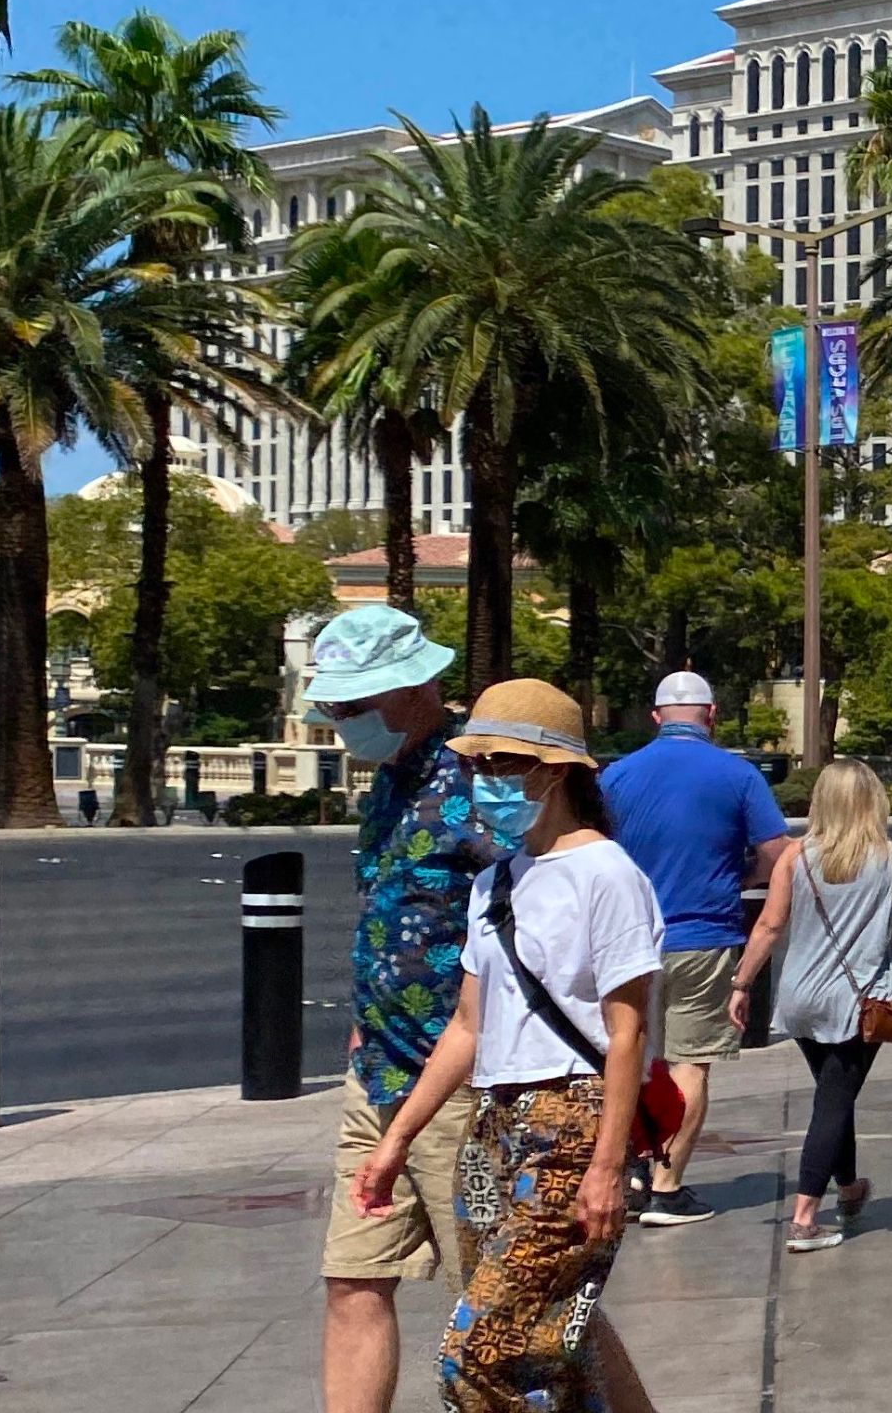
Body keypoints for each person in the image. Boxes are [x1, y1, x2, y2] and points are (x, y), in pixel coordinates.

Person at [352, 678, 665, 1413]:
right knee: (561, 1349)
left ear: (553, 770)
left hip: (571, 1124)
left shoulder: (607, 875)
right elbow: (469, 1025)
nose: (485, 781)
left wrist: (607, 1166)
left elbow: (629, 1032)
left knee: (479, 1358)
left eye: (502, 764)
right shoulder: (495, 881)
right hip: (495, 1129)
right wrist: (397, 1138)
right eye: (478, 765)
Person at [307, 606, 510, 1413]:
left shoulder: (484, 781)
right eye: (333, 708)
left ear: (418, 684)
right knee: (354, 1280)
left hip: (469, 1087)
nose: (341, 724)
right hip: (377, 1076)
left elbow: (542, 920)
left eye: (355, 706)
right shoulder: (386, 786)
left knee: (505, 1299)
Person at [600, 670, 791, 1227]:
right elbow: (776, 851)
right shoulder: (738, 774)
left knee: (628, 1056)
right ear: (711, 715)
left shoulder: (617, 775)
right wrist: (737, 879)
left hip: (627, 940)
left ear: (655, 717)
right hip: (705, 936)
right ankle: (667, 1186)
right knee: (690, 1063)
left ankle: (631, 1167)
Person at [730, 759, 892, 1250]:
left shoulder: (794, 857)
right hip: (862, 999)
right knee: (833, 1098)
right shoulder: (890, 858)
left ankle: (848, 1188)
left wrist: (742, 984)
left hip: (801, 997)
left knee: (834, 1092)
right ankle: (805, 1216)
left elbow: (769, 926)